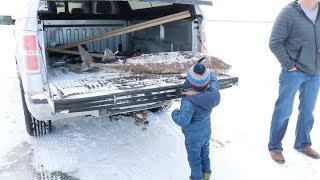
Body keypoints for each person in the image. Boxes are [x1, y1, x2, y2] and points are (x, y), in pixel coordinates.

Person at [268, 0, 320, 164]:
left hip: (316, 72)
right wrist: (289, 65)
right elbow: (275, 42)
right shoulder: (289, 13)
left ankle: (303, 144)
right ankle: (275, 147)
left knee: (307, 111)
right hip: (294, 72)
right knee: (283, 111)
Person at [171, 61, 221, 180]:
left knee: (195, 161)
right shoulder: (213, 92)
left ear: (190, 81)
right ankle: (206, 176)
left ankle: (197, 178)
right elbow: (213, 80)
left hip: (193, 138)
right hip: (206, 133)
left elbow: (183, 121)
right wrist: (208, 72)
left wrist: (175, 113)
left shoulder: (189, 101)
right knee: (205, 156)